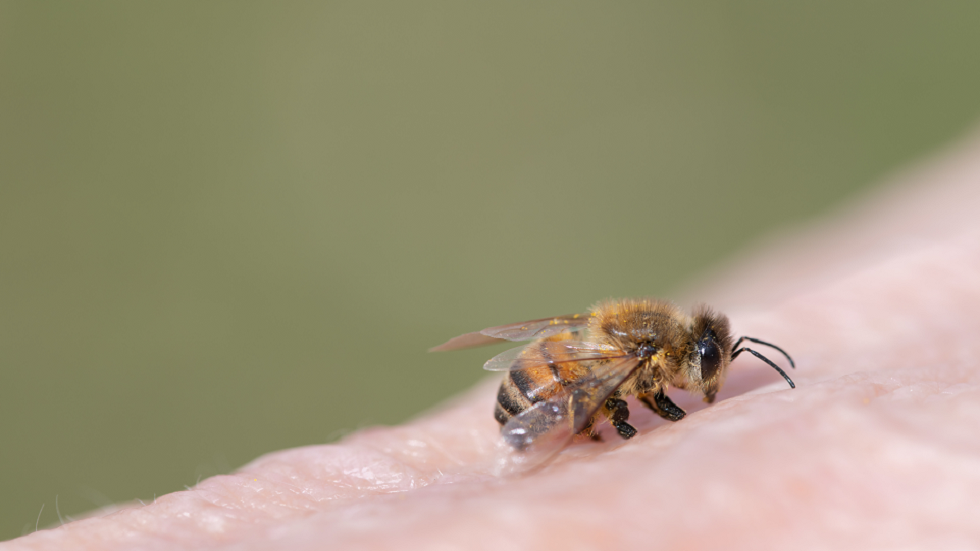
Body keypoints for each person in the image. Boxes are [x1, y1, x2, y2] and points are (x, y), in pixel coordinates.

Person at [10, 133, 980, 550]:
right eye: (699, 374)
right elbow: (593, 375)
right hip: (554, 385)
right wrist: (588, 430)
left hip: (556, 357)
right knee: (594, 405)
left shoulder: (637, 330)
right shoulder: (629, 355)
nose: (704, 383)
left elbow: (568, 344)